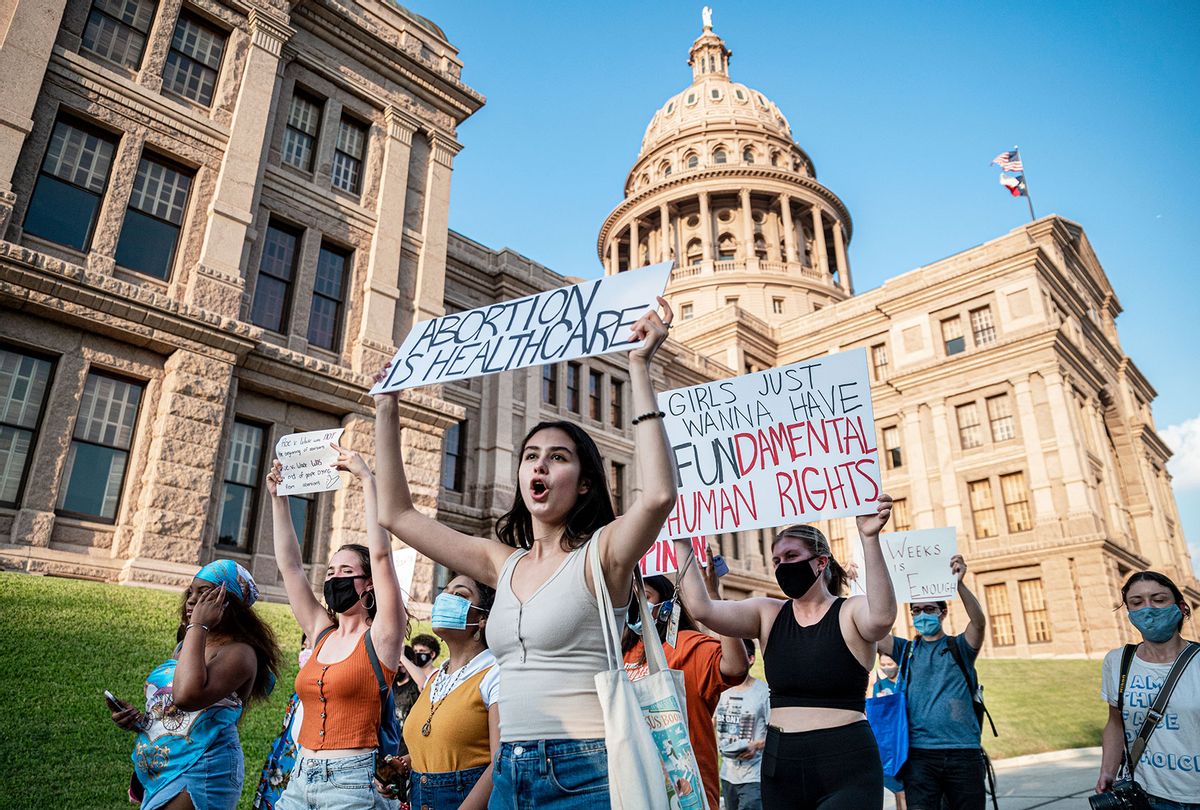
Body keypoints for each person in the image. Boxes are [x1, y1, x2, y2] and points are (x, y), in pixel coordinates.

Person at [374, 297, 676, 808]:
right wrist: (387, 407)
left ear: (583, 484)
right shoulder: (501, 561)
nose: (540, 466)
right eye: (531, 457)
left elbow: (659, 497)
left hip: (586, 768)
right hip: (510, 767)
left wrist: (639, 369)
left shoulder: (603, 554)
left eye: (558, 458)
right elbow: (398, 516)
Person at [671, 503, 897, 810]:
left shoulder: (850, 610)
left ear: (820, 562)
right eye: (777, 560)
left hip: (845, 761)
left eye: (791, 557)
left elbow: (882, 617)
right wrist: (682, 539)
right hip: (783, 762)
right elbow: (702, 609)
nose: (782, 566)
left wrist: (869, 538)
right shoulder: (769, 613)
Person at [267, 446, 408, 810]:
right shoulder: (321, 632)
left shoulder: (382, 637)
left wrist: (367, 479)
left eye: (346, 572)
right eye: (331, 572)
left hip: (350, 781)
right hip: (299, 775)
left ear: (369, 584)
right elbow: (291, 567)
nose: (335, 578)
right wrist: (278, 499)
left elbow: (380, 556)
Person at [109, 559, 280, 810]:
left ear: (228, 602)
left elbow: (187, 696)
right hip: (168, 762)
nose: (191, 600)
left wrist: (198, 625)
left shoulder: (240, 653)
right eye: (191, 592)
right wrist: (141, 722)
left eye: (205, 594)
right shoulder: (186, 646)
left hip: (204, 766)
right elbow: (179, 713)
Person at [621, 567, 748, 810]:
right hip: (636, 783)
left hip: (686, 788)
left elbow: (736, 667)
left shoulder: (688, 645)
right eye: (630, 596)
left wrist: (713, 600)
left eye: (645, 596)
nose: (635, 603)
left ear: (668, 604)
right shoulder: (622, 653)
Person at [875, 554, 986, 810]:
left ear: (943, 613)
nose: (921, 615)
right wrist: (854, 588)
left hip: (963, 752)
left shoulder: (960, 647)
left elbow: (978, 623)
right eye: (916, 611)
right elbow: (873, 631)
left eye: (929, 610)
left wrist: (959, 584)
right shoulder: (905, 650)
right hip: (920, 756)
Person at [1096, 571, 1199, 809]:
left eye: (1159, 599)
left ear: (1181, 607)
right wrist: (1107, 770)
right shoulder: (1118, 661)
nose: (1148, 609)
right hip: (1145, 795)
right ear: (1130, 612)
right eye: (1137, 602)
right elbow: (1115, 722)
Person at [400, 576, 500, 809]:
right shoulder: (436, 678)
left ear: (482, 619)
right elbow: (440, 748)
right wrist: (403, 765)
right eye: (445, 592)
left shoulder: (495, 673)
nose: (445, 599)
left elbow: (500, 761)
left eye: (460, 595)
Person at [252, 636, 311, 809]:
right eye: (303, 647)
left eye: (312, 646)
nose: (306, 652)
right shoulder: (297, 695)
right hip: (280, 767)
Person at [714, 639, 770, 810]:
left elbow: (778, 733)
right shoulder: (721, 691)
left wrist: (755, 746)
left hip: (753, 778)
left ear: (751, 659)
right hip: (727, 775)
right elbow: (712, 722)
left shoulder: (764, 693)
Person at [870, 653, 906, 810]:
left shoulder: (905, 682)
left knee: (905, 791)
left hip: (905, 739)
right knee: (899, 791)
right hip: (889, 745)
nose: (886, 668)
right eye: (883, 665)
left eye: (889, 664)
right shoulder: (879, 685)